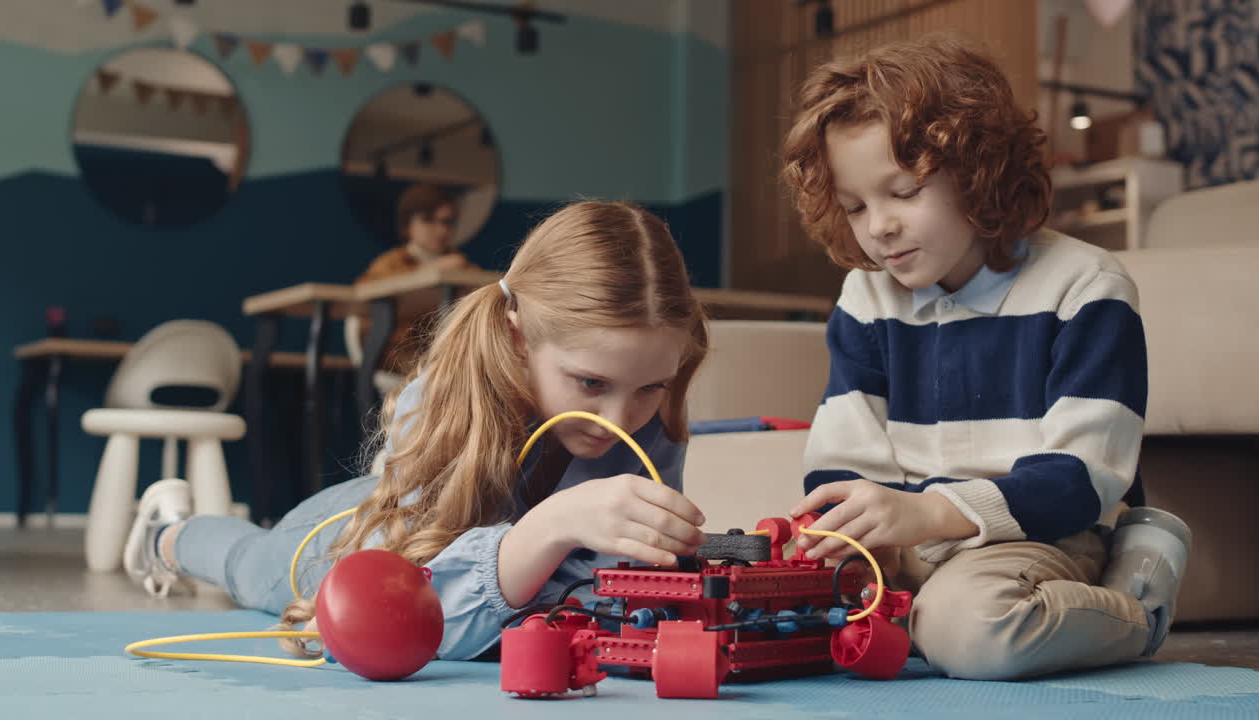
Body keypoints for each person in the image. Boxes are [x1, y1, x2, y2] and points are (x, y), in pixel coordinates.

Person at [123, 200, 710, 661]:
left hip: (494, 586)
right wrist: (551, 528)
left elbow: (606, 586)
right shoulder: (446, 399)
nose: (619, 420)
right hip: (365, 538)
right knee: (251, 567)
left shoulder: (654, 416)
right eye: (589, 383)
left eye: (650, 387)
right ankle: (166, 534)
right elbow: (411, 612)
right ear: (516, 338)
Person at [779, 35, 1192, 680]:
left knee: (967, 630)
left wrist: (925, 514)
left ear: (980, 173)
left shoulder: (1087, 287)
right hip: (909, 543)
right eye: (856, 206)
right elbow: (845, 453)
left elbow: (1079, 480)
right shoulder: (866, 295)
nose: (878, 226)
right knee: (777, 608)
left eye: (904, 192)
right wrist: (851, 532)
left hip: (1040, 534)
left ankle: (1139, 603)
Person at [355, 183, 476, 369]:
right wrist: (430, 270)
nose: (440, 230)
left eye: (446, 222)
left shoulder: (461, 265)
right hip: (398, 350)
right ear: (407, 224)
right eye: (428, 220)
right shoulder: (392, 262)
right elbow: (361, 292)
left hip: (449, 350)